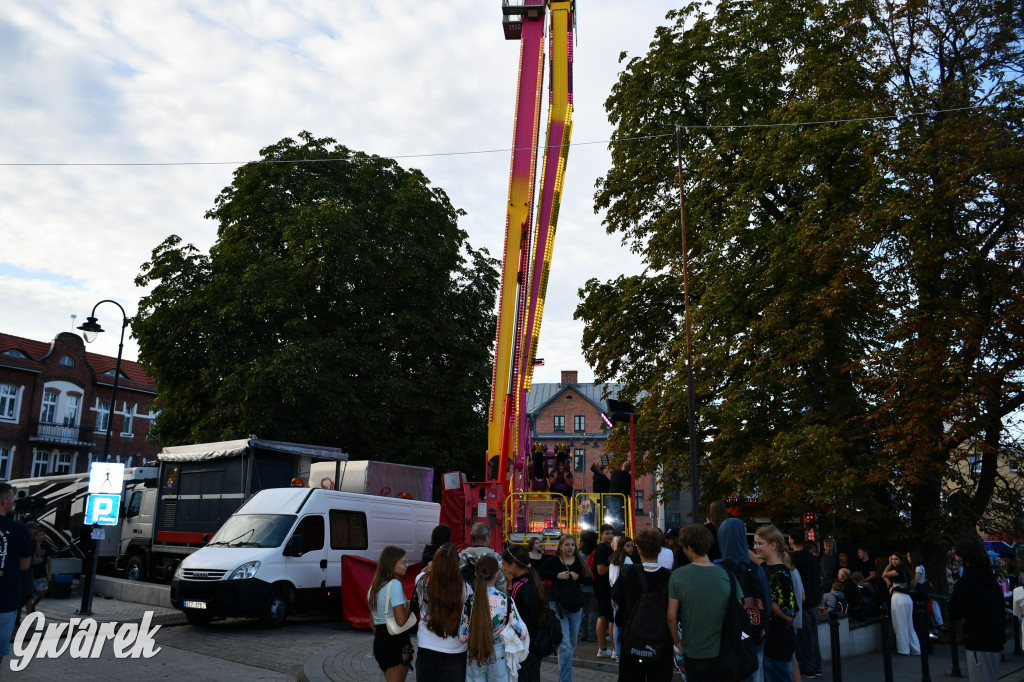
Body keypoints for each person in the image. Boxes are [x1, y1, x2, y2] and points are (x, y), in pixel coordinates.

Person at [665, 524, 728, 682]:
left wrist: (677, 642)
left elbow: (671, 616)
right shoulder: (725, 574)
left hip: (692, 648)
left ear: (690, 547)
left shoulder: (678, 576)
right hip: (722, 647)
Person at [615, 527, 673, 682]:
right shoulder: (669, 576)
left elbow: (616, 598)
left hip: (632, 638)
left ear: (638, 550)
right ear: (660, 550)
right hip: (661, 642)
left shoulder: (628, 572)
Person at [459, 554, 527, 682]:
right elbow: (522, 634)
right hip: (498, 654)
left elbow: (462, 638)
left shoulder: (469, 601)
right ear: (496, 575)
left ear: (475, 574)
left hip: (475, 653)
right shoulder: (506, 601)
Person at [718, 517, 770, 682]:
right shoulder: (757, 569)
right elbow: (767, 603)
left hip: (729, 637)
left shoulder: (718, 568)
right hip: (756, 634)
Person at [949, 533, 1006, 682]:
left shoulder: (968, 581)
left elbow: (955, 611)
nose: (954, 553)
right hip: (994, 639)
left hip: (979, 641)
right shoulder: (988, 577)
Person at [540, 533, 592, 682]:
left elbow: (589, 580)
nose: (570, 547)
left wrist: (578, 577)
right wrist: (557, 575)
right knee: (565, 646)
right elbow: (540, 572)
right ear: (560, 547)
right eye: (567, 545)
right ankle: (565, 680)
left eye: (572, 545)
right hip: (558, 607)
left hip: (575, 607)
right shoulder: (555, 561)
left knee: (571, 644)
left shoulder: (580, 561)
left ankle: (565, 670)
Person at [415, 544, 470, 681]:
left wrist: (429, 567)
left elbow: (423, 572)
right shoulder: (466, 589)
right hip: (455, 650)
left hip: (426, 647)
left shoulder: (421, 581)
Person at [754, 525, 798, 682]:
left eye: (759, 543)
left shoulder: (781, 574)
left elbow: (789, 614)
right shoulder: (766, 567)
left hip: (778, 643)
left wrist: (767, 603)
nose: (755, 547)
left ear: (773, 545)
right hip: (771, 642)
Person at [503, 544, 550, 682]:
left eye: (504, 564)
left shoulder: (518, 586)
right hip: (537, 640)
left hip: (524, 643)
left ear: (512, 566)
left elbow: (511, 615)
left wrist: (510, 588)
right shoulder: (535, 581)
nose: (503, 568)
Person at [368, 546, 415, 682]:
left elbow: (372, 623)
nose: (407, 565)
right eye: (403, 562)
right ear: (391, 564)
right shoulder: (394, 584)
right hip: (397, 644)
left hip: (380, 643)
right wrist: (410, 606)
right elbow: (400, 621)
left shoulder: (374, 586)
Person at [0, 483, 32, 669]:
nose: (14, 502)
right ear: (5, 502)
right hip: (4, 600)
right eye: (12, 499)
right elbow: (25, 565)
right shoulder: (19, 530)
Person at [789, 529, 822, 678]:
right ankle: (817, 665)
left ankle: (808, 667)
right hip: (814, 600)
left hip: (803, 601)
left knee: (804, 637)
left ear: (790, 539)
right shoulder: (812, 557)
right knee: (813, 635)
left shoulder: (793, 559)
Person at [883, 551, 919, 656]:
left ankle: (903, 649)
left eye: (896, 559)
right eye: (892, 559)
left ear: (901, 561)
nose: (894, 561)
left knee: (900, 624)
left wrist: (889, 564)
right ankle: (915, 649)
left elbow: (884, 574)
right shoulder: (906, 571)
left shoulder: (898, 571)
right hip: (906, 598)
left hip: (899, 598)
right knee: (908, 624)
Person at [591, 523, 616, 659]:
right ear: (601, 535)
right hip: (605, 588)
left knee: (602, 616)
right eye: (607, 533)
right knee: (611, 618)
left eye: (611, 533)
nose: (610, 536)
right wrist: (616, 565)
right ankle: (614, 649)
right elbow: (601, 570)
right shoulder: (603, 550)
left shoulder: (605, 548)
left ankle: (603, 649)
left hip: (601, 588)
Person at [460, 522, 506, 593]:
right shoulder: (496, 558)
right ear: (486, 537)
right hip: (491, 602)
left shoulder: (461, 557)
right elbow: (501, 586)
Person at [608, 535, 634, 661]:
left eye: (631, 546)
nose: (630, 548)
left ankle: (616, 652)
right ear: (622, 546)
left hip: (614, 592)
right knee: (620, 623)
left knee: (616, 623)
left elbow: (612, 579)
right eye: (628, 546)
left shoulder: (614, 558)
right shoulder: (626, 560)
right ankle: (619, 652)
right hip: (622, 595)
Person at [26, 522, 52, 613]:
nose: (42, 537)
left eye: (43, 535)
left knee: (41, 593)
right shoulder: (29, 542)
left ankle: (32, 606)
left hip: (40, 572)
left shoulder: (46, 545)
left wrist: (49, 573)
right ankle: (29, 612)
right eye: (40, 535)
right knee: (28, 593)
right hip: (30, 571)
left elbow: (48, 559)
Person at [578, 530, 599, 642]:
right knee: (593, 610)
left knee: (583, 610)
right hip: (593, 584)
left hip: (581, 583)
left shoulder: (579, 553)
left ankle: (582, 633)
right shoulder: (596, 552)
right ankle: (592, 634)